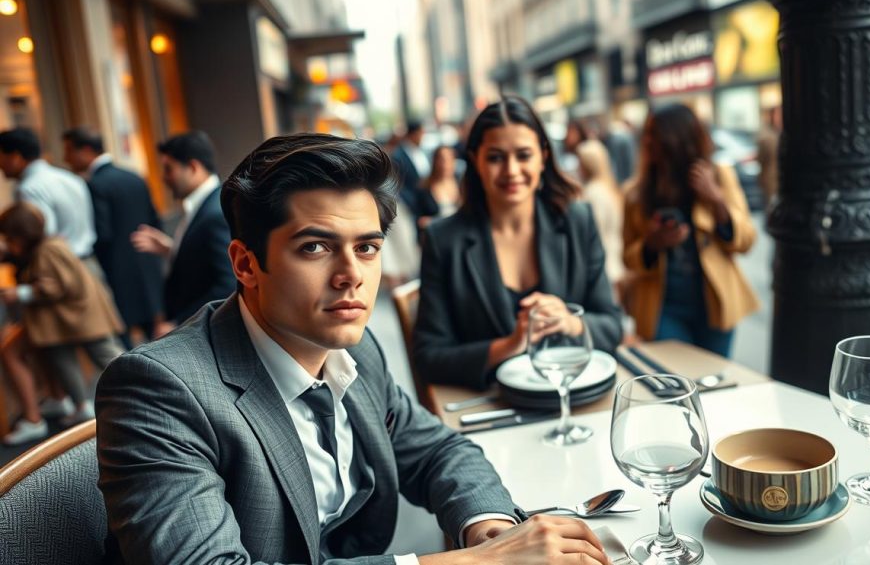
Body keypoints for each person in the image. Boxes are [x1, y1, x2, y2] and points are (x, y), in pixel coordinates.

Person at [95, 133, 612, 565]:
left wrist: (491, 532)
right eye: (315, 248)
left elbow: (439, 450)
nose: (351, 277)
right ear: (246, 264)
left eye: (366, 247)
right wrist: (471, 562)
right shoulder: (157, 389)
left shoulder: (357, 353)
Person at [414, 96, 623, 390]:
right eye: (496, 157)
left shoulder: (577, 220)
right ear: (476, 160)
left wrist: (571, 323)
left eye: (523, 155)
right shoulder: (443, 239)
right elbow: (429, 356)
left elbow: (612, 325)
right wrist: (510, 344)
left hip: (575, 397)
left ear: (543, 157)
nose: (511, 170)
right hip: (489, 404)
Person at [622, 103, 758, 357]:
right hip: (662, 307)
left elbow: (747, 241)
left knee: (714, 382)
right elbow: (628, 259)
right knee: (674, 381)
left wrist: (716, 200)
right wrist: (653, 243)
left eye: (656, 134)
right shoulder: (636, 194)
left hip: (715, 304)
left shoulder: (718, 176)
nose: (648, 141)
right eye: (647, 133)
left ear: (678, 139)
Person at [0, 203, 124, 444]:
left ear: (22, 235)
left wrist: (22, 293)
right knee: (65, 361)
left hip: (80, 316)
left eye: (10, 237)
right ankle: (81, 406)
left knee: (108, 356)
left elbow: (58, 286)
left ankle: (145, 381)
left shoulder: (49, 249)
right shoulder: (48, 246)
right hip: (68, 319)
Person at [62, 127, 164, 348]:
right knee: (158, 337)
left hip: (117, 271)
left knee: (125, 341)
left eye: (69, 151)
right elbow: (155, 220)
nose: (66, 158)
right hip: (146, 265)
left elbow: (103, 233)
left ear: (87, 150)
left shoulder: (95, 184)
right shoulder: (134, 176)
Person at [130, 131, 234, 333]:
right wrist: (171, 249)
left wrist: (179, 323)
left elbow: (227, 283)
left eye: (169, 169)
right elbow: (204, 261)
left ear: (193, 167)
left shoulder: (214, 213)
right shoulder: (205, 204)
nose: (164, 178)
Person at [0, 128, 98, 264]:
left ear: (15, 157)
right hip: (88, 263)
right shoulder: (69, 177)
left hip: (61, 269)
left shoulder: (29, 188)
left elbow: (41, 238)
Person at [576, 140, 625, 296]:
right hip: (615, 262)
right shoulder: (609, 188)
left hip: (604, 266)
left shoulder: (593, 193)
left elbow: (593, 233)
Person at [414, 145, 462, 231]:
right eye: (442, 160)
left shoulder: (462, 184)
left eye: (449, 160)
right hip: (436, 236)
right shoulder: (424, 188)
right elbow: (420, 221)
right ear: (435, 162)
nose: (446, 164)